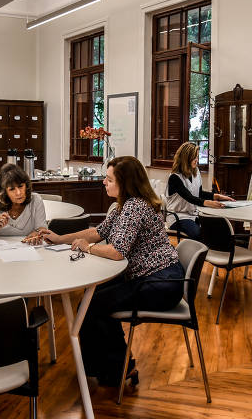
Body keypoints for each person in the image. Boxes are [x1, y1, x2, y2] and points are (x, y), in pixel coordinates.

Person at [40, 156, 184, 386]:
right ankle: (109, 367)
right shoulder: (125, 205)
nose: (104, 183)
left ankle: (119, 368)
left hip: (161, 283)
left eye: (108, 179)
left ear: (124, 183)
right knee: (91, 300)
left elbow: (117, 251)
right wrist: (59, 239)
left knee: (94, 305)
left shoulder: (134, 207)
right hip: (153, 277)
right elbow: (96, 232)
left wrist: (89, 249)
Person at [165, 142, 234, 240]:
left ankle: (213, 254)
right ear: (186, 158)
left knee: (218, 232)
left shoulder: (196, 172)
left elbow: (199, 193)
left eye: (197, 157)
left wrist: (217, 196)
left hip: (194, 215)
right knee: (199, 235)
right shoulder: (174, 177)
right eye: (194, 157)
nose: (197, 160)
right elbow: (190, 198)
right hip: (179, 217)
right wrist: (210, 203)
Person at [0, 164, 46, 245]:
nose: (18, 193)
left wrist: (38, 233)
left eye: (21, 186)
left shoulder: (36, 200)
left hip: (28, 248)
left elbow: (42, 229)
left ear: (26, 186)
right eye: (12, 189)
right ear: (4, 192)